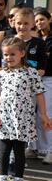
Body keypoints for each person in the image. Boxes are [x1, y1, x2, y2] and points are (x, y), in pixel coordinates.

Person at [0, 36, 52, 181]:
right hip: (5, 118)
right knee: (4, 150)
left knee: (19, 151)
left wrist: (44, 115)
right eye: (5, 55)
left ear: (22, 54)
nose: (8, 58)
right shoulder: (1, 74)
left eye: (12, 54)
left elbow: (39, 94)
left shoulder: (31, 73)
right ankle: (2, 178)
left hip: (23, 119)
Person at [32, 8, 52, 164]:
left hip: (48, 79)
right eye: (37, 21)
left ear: (49, 19)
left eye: (42, 19)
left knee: (47, 114)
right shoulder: (35, 39)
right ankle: (35, 147)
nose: (39, 23)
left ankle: (49, 150)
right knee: (33, 114)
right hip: (34, 80)